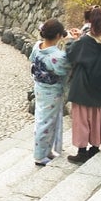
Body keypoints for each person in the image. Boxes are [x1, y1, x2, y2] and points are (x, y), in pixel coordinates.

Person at [65, 6, 101, 163]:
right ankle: (95, 147)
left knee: (82, 118)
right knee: (99, 116)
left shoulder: (85, 41)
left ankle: (81, 151)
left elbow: (71, 54)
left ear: (87, 21)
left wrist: (73, 40)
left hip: (84, 87)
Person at [29, 19, 73, 166]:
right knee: (45, 122)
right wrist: (70, 41)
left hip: (40, 87)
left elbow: (32, 60)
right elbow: (68, 65)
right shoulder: (57, 56)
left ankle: (46, 151)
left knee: (44, 119)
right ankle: (40, 156)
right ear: (59, 35)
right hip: (52, 92)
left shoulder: (37, 47)